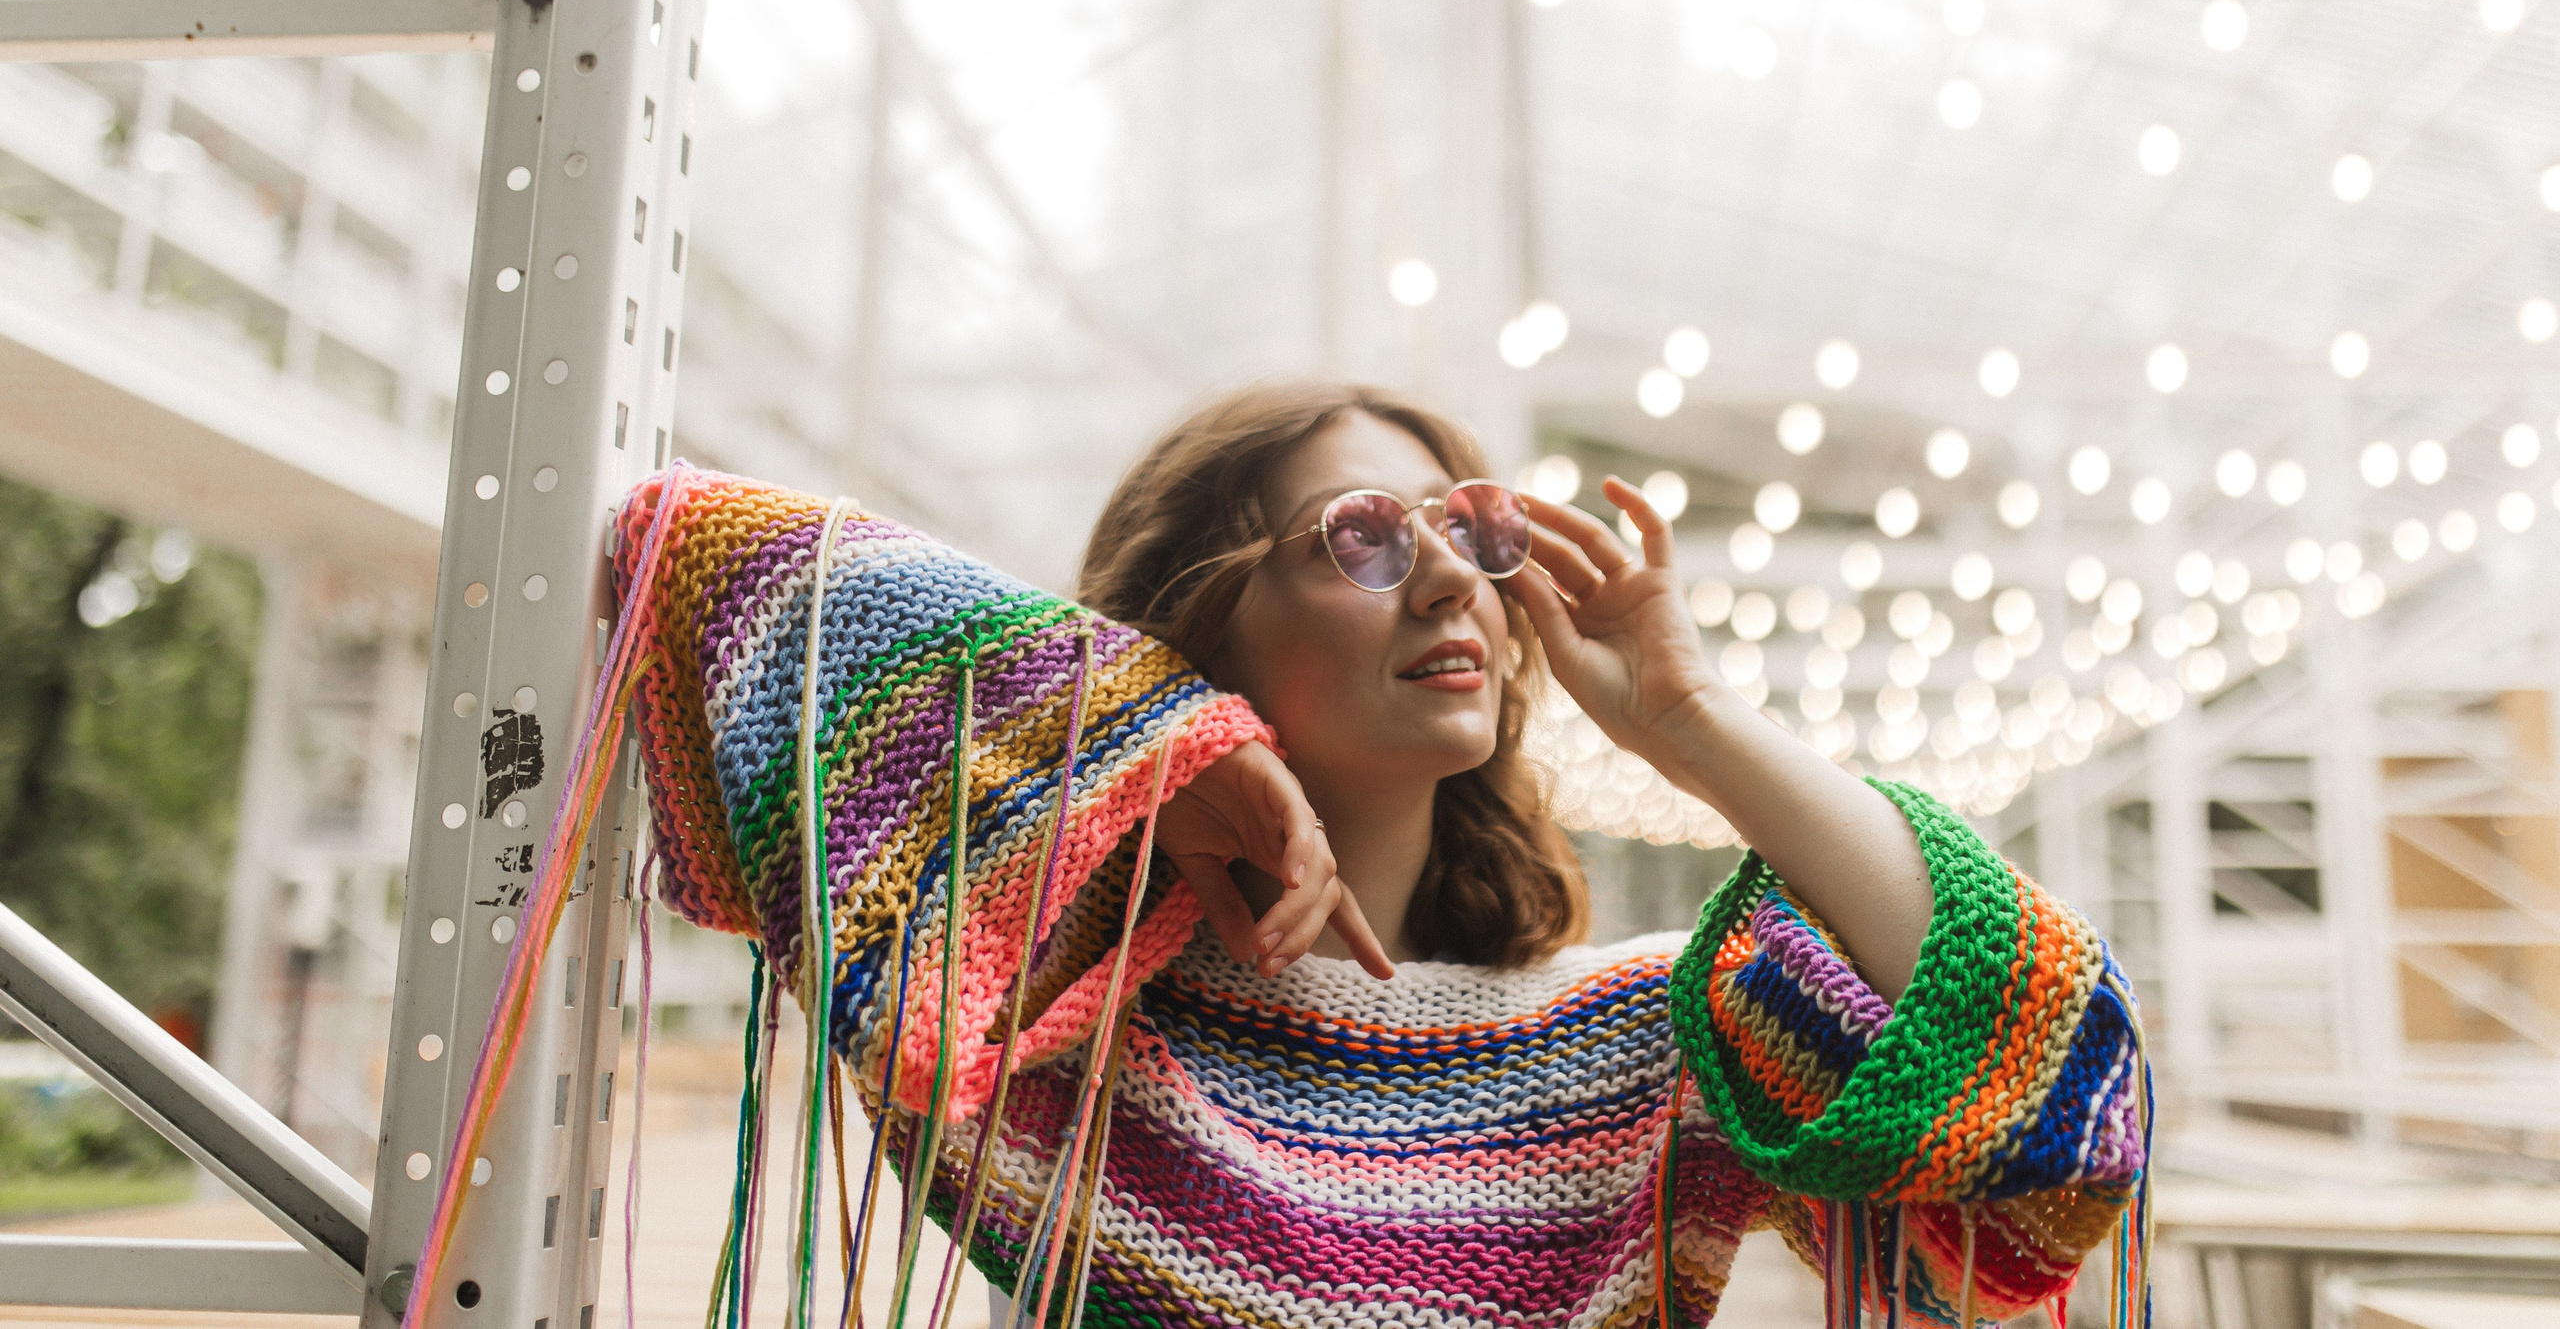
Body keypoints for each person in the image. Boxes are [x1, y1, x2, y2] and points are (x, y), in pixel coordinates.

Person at [608, 380, 2149, 1329]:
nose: (1442, 579)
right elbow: (697, 558)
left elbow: (2072, 1088)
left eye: (1471, 533)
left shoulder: (1644, 1043)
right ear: (1203, 618)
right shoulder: (1046, 1005)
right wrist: (1162, 741)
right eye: (1358, 534)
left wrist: (1693, 720)